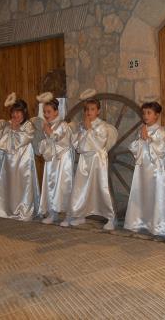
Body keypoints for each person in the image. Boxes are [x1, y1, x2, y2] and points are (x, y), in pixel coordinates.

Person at [62, 89, 117, 230]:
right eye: (87, 109)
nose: (89, 112)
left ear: (98, 111)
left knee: (101, 187)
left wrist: (90, 130)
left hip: (98, 161)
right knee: (81, 187)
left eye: (92, 109)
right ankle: (80, 214)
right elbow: (77, 144)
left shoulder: (102, 126)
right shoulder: (82, 125)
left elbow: (99, 144)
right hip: (84, 162)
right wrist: (84, 130)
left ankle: (110, 217)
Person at [124, 101, 165, 237]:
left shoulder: (160, 131)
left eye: (149, 113)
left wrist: (148, 140)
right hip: (142, 169)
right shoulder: (142, 129)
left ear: (156, 115)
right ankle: (139, 221)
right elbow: (134, 148)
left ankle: (157, 225)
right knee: (142, 193)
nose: (145, 116)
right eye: (144, 113)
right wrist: (141, 139)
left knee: (155, 195)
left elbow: (161, 150)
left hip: (155, 170)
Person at [0, 94, 39, 221]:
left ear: (24, 113)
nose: (16, 115)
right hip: (9, 162)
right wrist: (10, 129)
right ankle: (8, 209)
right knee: (10, 184)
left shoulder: (28, 125)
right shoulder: (8, 125)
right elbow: (3, 142)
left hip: (23, 161)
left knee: (23, 184)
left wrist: (15, 129)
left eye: (19, 112)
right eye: (14, 112)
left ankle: (24, 210)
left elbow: (24, 139)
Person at [36, 93, 75, 225]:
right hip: (51, 160)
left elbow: (61, 140)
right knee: (50, 184)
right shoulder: (48, 125)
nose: (46, 114)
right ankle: (53, 213)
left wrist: (49, 132)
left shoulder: (62, 124)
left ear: (56, 112)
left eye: (48, 112)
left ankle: (68, 215)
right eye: (44, 112)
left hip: (62, 159)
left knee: (63, 185)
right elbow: (47, 142)